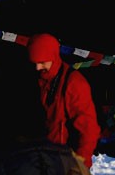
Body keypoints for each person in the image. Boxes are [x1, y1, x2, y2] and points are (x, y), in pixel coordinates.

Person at [26, 33, 100, 172]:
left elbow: (89, 130)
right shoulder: (39, 79)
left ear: (53, 56)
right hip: (44, 157)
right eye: (35, 63)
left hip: (68, 161)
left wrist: (79, 165)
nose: (38, 67)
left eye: (42, 62)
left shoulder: (74, 84)